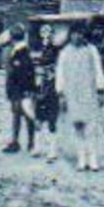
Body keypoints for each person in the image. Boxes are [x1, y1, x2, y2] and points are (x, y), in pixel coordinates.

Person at [55, 24, 104, 172]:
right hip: (72, 93)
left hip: (88, 92)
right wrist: (61, 93)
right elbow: (60, 74)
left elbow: (98, 70)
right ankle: (82, 158)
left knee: (91, 127)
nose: (77, 37)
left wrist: (100, 90)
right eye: (74, 34)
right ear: (70, 35)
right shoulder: (65, 52)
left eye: (81, 34)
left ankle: (93, 158)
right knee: (77, 125)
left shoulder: (91, 50)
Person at [2, 31, 36, 154]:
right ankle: (29, 143)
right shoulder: (23, 51)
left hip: (19, 89)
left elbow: (18, 73)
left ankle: (20, 142)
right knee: (25, 115)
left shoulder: (18, 52)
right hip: (22, 88)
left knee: (21, 115)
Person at [32, 28, 62, 161]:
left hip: (52, 88)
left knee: (51, 119)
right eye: (43, 34)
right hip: (42, 86)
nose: (46, 37)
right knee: (38, 117)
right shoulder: (40, 50)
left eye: (48, 34)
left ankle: (52, 150)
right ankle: (38, 147)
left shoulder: (55, 51)